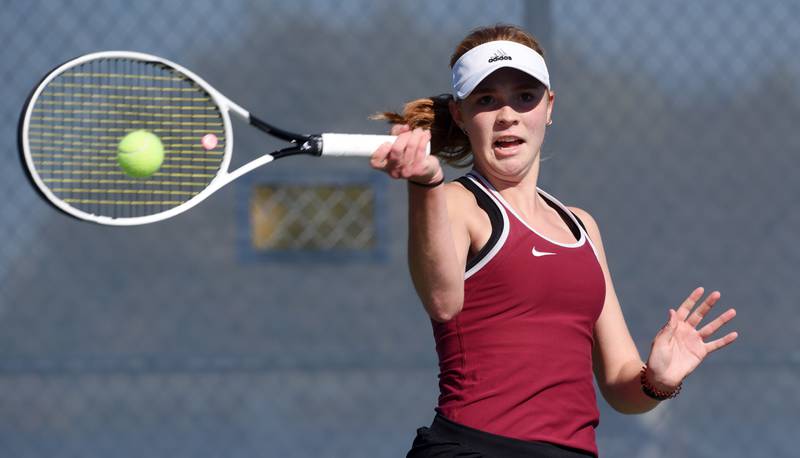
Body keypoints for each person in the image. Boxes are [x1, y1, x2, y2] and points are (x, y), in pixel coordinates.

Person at [369, 24, 739, 458]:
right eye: (486, 100)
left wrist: (656, 382)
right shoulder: (455, 203)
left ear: (549, 107)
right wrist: (425, 185)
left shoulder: (582, 227)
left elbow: (622, 386)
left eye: (524, 97)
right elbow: (442, 300)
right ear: (460, 116)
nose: (507, 114)